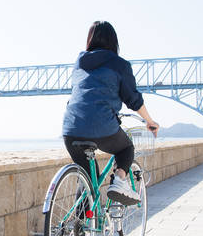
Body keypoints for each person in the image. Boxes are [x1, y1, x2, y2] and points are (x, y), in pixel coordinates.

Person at [62, 21, 160, 205]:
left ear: (89, 40)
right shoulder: (120, 65)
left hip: (71, 128)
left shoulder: (79, 62)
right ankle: (119, 181)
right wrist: (149, 121)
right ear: (114, 41)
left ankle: (79, 231)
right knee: (126, 149)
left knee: (88, 181)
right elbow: (133, 99)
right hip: (101, 125)